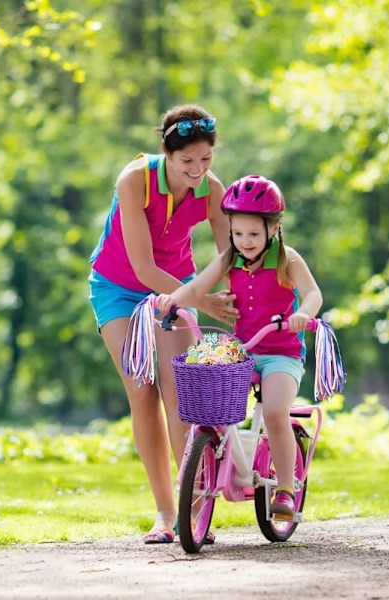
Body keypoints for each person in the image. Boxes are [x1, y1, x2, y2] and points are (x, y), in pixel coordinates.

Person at [88, 105, 238, 544]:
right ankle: (163, 513)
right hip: (120, 286)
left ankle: (193, 512)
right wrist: (203, 301)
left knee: (182, 391)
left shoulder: (212, 190)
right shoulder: (134, 180)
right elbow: (142, 266)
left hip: (181, 286)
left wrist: (239, 292)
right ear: (166, 155)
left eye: (206, 159)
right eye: (186, 161)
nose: (197, 170)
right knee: (142, 389)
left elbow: (230, 255)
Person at [157, 175, 323, 520]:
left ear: (273, 229)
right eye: (238, 233)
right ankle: (216, 457)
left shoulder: (287, 260)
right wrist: (172, 301)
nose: (244, 241)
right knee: (210, 401)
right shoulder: (228, 259)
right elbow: (196, 288)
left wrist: (303, 315)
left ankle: (287, 489)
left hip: (281, 353)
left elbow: (313, 293)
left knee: (276, 412)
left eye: (253, 234)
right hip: (244, 351)